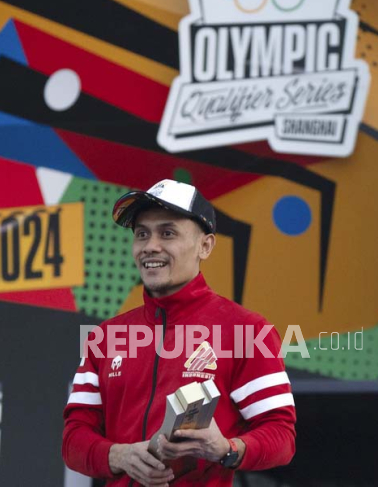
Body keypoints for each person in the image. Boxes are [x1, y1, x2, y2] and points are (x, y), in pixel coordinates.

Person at [62, 179, 296, 486]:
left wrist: (226, 449)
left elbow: (281, 436)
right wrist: (117, 455)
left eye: (167, 233)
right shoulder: (105, 338)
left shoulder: (248, 331)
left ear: (205, 245)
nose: (150, 246)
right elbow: (73, 440)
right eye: (142, 234)